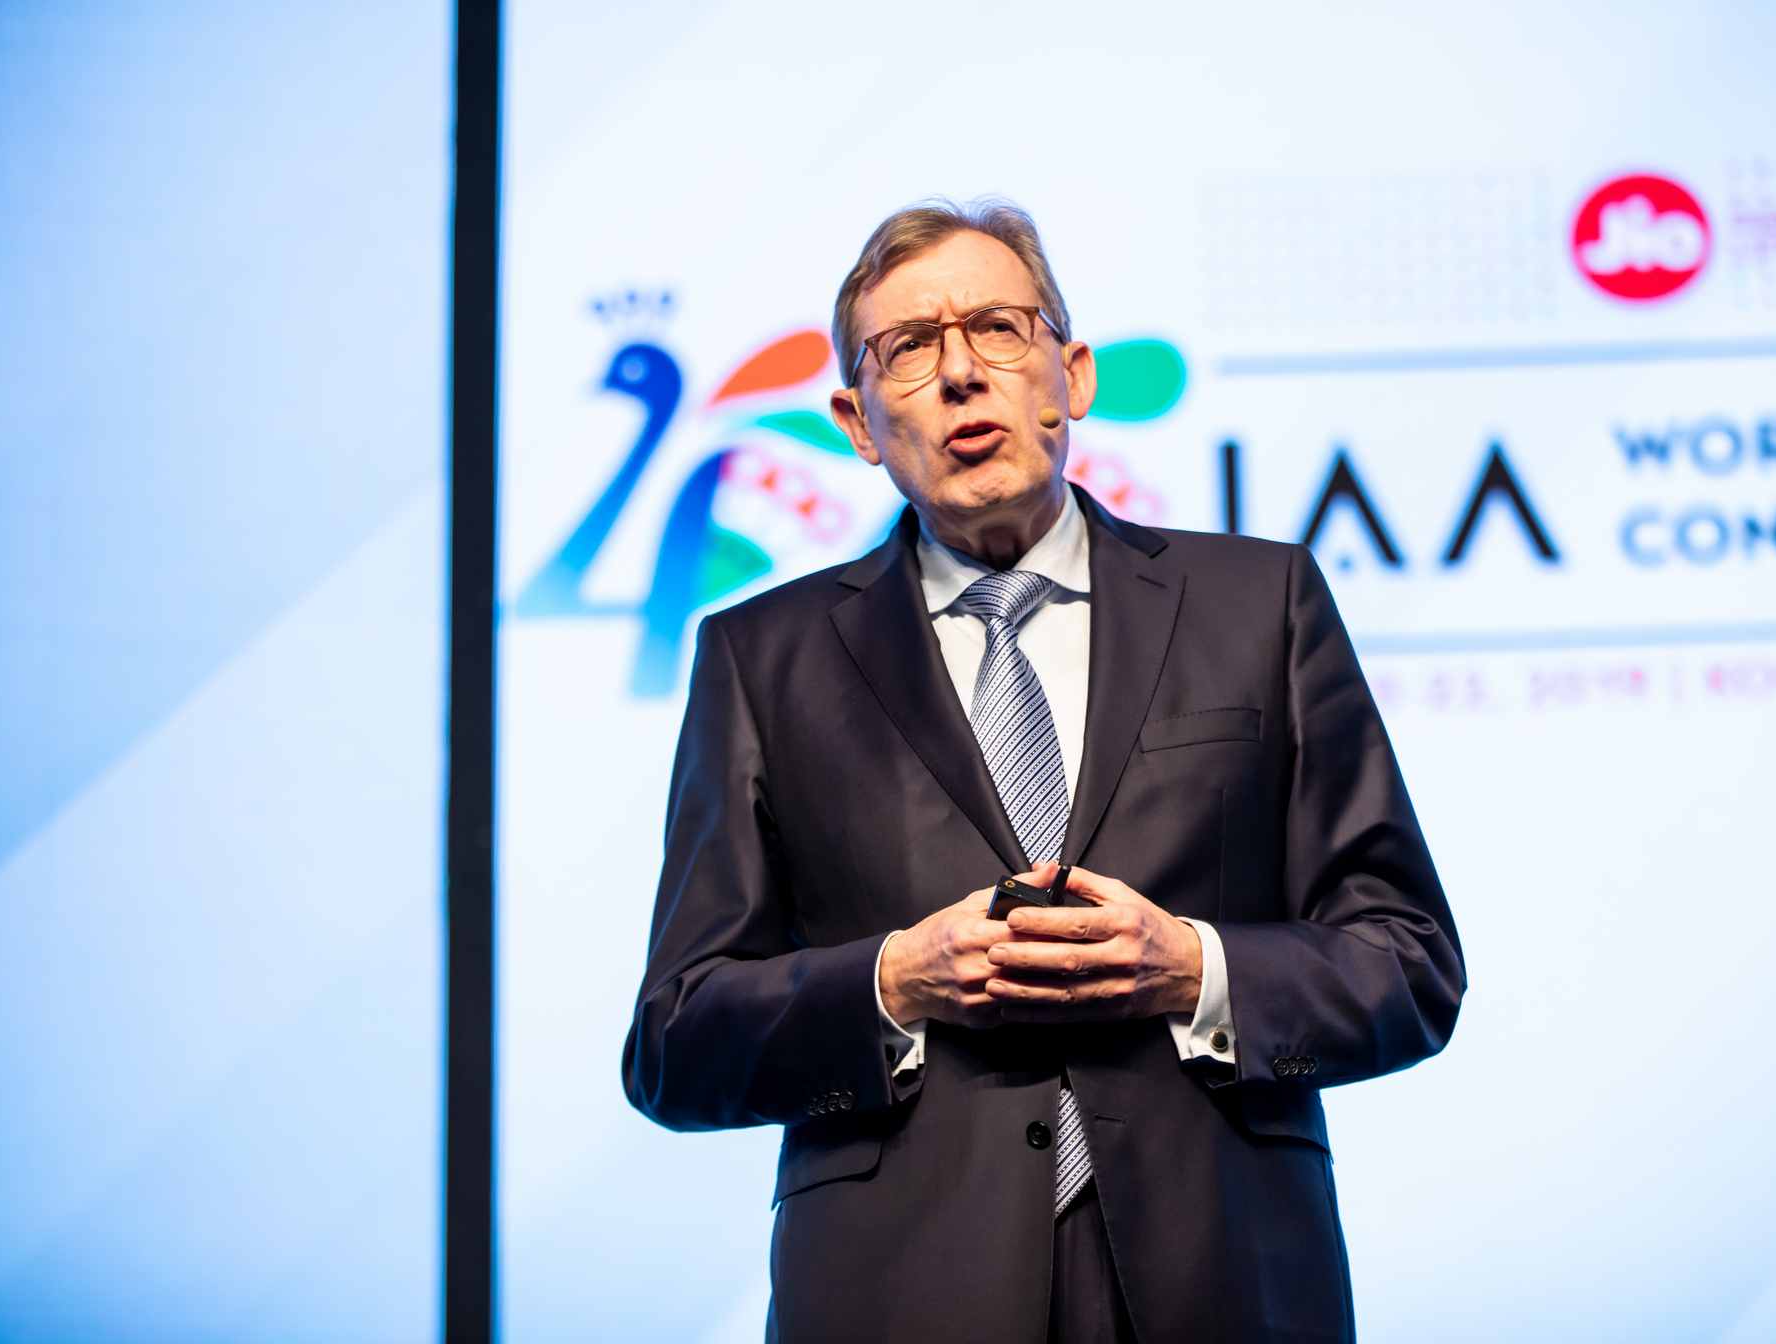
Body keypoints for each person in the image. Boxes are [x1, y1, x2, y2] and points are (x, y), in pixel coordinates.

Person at [621, 199, 1464, 1343]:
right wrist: (891, 984)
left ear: (1071, 375)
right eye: (908, 349)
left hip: (1222, 1276)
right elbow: (676, 1043)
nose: (962, 374)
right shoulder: (760, 658)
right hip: (898, 1297)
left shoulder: (1259, 604)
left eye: (998, 329)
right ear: (858, 423)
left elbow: (1409, 963)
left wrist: (1195, 970)